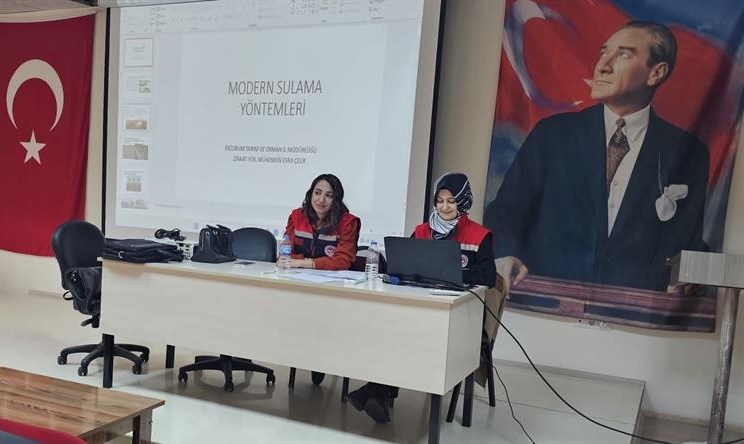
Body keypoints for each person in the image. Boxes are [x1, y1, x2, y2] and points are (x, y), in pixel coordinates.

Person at [484, 21, 708, 291]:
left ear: (656, 72)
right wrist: (506, 254)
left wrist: (687, 278)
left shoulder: (687, 152)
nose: (602, 65)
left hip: (634, 311)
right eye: (604, 52)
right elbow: (506, 212)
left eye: (623, 55)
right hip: (543, 303)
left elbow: (688, 243)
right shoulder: (553, 135)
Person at [346, 172, 496, 423]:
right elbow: (405, 264)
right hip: (422, 310)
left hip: (459, 318)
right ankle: (380, 392)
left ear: (463, 201)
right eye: (440, 201)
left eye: (451, 201)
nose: (444, 207)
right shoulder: (422, 230)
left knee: (410, 335)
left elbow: (489, 276)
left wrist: (454, 271)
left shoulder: (480, 236)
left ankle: (377, 391)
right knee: (394, 330)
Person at [280, 173, 360, 271]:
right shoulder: (297, 217)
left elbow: (343, 261)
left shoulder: (348, 223)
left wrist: (305, 263)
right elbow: (285, 255)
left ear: (336, 199)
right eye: (317, 193)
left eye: (329, 196)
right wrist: (319, 263)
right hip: (297, 275)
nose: (321, 200)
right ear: (311, 194)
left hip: (333, 278)